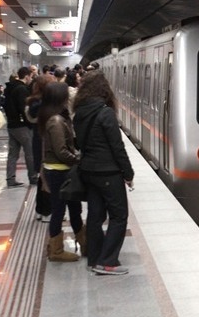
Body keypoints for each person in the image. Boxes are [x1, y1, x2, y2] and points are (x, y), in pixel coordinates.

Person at [73, 70, 134, 275]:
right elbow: (117, 147)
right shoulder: (105, 112)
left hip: (88, 171)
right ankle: (108, 261)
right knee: (119, 216)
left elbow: (78, 143)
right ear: (104, 89)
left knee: (95, 216)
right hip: (108, 172)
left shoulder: (79, 113)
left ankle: (94, 258)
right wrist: (128, 173)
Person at [38, 82, 85, 262]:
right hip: (59, 172)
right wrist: (79, 159)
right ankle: (56, 250)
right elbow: (61, 151)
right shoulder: (56, 121)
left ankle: (84, 242)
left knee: (74, 208)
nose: (70, 97)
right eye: (67, 95)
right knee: (59, 210)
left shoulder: (55, 117)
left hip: (62, 171)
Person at [26, 74, 57, 220]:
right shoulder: (45, 105)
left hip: (39, 142)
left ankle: (40, 209)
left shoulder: (34, 102)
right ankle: (47, 212)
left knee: (42, 177)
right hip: (46, 143)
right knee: (48, 177)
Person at [4, 66, 37, 187]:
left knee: (13, 154)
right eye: (31, 77)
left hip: (11, 124)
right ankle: (33, 177)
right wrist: (30, 123)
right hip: (22, 125)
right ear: (27, 76)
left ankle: (10, 178)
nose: (31, 80)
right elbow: (24, 109)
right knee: (30, 153)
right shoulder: (22, 89)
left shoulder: (9, 87)